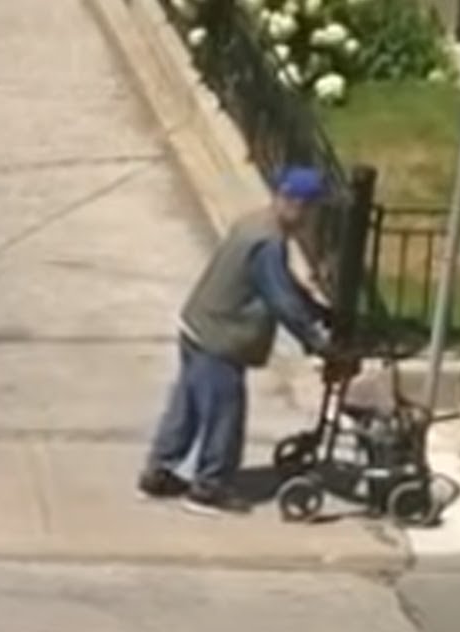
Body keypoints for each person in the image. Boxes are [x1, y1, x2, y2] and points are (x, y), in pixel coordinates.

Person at [137, 165, 339, 516]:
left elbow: (284, 286)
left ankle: (160, 472)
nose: (313, 219)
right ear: (295, 204)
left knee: (187, 407)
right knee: (223, 415)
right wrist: (316, 340)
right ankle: (209, 488)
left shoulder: (255, 224)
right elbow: (281, 299)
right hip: (221, 338)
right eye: (313, 209)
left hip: (198, 326)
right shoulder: (268, 243)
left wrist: (318, 310)